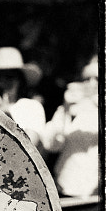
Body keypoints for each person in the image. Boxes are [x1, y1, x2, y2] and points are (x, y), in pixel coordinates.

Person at [43, 55, 99, 197]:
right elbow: (51, 145)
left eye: (98, 79)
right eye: (87, 79)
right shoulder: (71, 107)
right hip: (65, 187)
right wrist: (66, 109)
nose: (91, 84)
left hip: (97, 192)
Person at [0, 46, 47, 152]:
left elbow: (31, 147)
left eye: (9, 77)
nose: (3, 82)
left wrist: (7, 118)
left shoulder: (31, 107)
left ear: (20, 80)